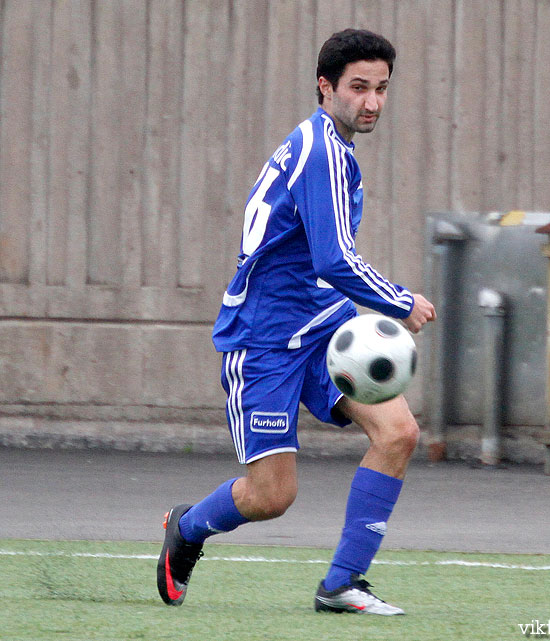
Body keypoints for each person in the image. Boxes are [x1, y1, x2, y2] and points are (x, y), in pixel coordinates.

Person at [157, 28, 436, 616]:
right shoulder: (321, 151)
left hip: (324, 325)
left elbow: (323, 263)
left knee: (399, 433)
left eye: (382, 89)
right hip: (263, 339)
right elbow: (334, 259)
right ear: (325, 86)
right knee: (271, 496)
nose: (373, 102)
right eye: (359, 87)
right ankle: (188, 528)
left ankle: (343, 582)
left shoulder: (333, 145)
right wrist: (399, 301)